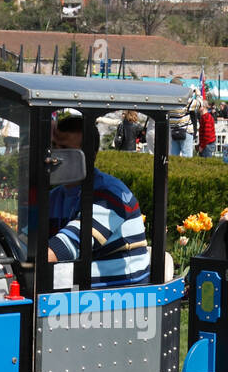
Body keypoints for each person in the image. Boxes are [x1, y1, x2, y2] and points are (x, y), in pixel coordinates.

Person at [47, 113, 150, 286]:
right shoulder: (55, 196)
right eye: (53, 147)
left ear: (91, 155)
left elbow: (62, 249)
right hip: (74, 293)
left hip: (119, 299)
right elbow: (27, 241)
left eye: (65, 150)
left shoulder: (110, 195)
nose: (55, 158)